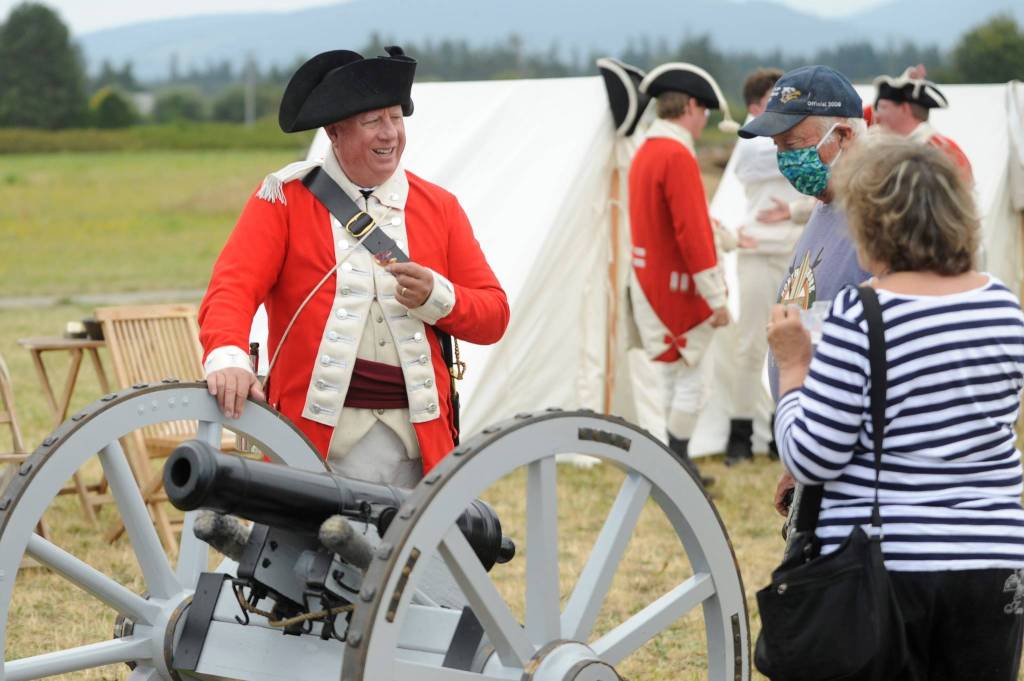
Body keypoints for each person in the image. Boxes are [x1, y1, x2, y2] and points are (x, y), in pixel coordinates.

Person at [767, 134, 1024, 680]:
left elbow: (815, 457)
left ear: (873, 223)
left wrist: (793, 371)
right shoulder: (1002, 304)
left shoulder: (862, 313)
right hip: (993, 564)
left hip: (884, 571)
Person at [199, 47, 510, 485]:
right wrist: (228, 357)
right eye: (373, 121)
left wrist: (437, 297)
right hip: (314, 441)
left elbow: (494, 316)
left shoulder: (439, 207)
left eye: (396, 118)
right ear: (334, 131)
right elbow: (232, 288)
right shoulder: (284, 200)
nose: (390, 134)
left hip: (419, 443)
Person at [737, 64, 870, 509]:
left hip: (855, 468)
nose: (787, 159)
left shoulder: (878, 220)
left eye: (795, 145)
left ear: (844, 137)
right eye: (779, 147)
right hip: (820, 452)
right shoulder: (826, 204)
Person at [627, 62, 740, 487]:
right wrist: (716, 298)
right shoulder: (675, 154)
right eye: (704, 108)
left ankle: (676, 461)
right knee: (694, 382)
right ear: (690, 105)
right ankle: (675, 465)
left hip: (651, 284)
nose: (707, 116)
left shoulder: (648, 149)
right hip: (678, 289)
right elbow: (691, 235)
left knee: (674, 378)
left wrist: (727, 238)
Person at [722, 67, 807, 465]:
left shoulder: (787, 138)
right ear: (757, 105)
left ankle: (781, 432)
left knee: (794, 342)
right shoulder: (753, 142)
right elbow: (757, 158)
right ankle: (739, 436)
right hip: (757, 252)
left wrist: (792, 211)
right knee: (750, 346)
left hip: (793, 251)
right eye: (775, 101)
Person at [871, 65, 974, 182]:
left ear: (904, 109)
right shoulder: (887, 145)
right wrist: (903, 80)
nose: (876, 116)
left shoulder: (944, 150)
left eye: (883, 108)